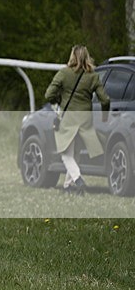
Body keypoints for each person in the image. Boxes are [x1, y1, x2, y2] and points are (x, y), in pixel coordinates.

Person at [45, 44, 110, 195]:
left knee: (65, 153)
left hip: (69, 117)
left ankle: (78, 179)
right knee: (76, 153)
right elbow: (105, 100)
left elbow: (49, 94)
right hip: (85, 119)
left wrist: (59, 100)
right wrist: (105, 116)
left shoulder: (64, 73)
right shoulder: (93, 76)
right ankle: (68, 187)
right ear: (87, 57)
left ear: (72, 56)